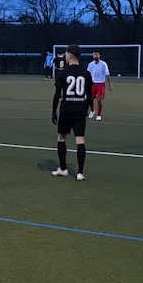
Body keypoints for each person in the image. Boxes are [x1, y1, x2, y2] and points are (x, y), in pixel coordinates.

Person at [51, 44, 93, 181]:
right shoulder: (86, 74)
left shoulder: (62, 73)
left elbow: (57, 95)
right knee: (80, 140)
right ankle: (80, 172)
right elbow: (89, 95)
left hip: (66, 110)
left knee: (61, 138)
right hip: (80, 111)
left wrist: (54, 111)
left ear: (69, 55)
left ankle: (63, 169)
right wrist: (86, 108)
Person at [86, 50, 113, 121]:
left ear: (99, 55)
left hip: (100, 84)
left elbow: (107, 74)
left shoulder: (103, 64)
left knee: (99, 99)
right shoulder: (90, 64)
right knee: (90, 99)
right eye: (94, 55)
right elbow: (88, 75)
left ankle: (99, 115)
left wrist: (110, 85)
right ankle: (92, 111)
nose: (95, 56)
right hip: (92, 84)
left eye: (96, 55)